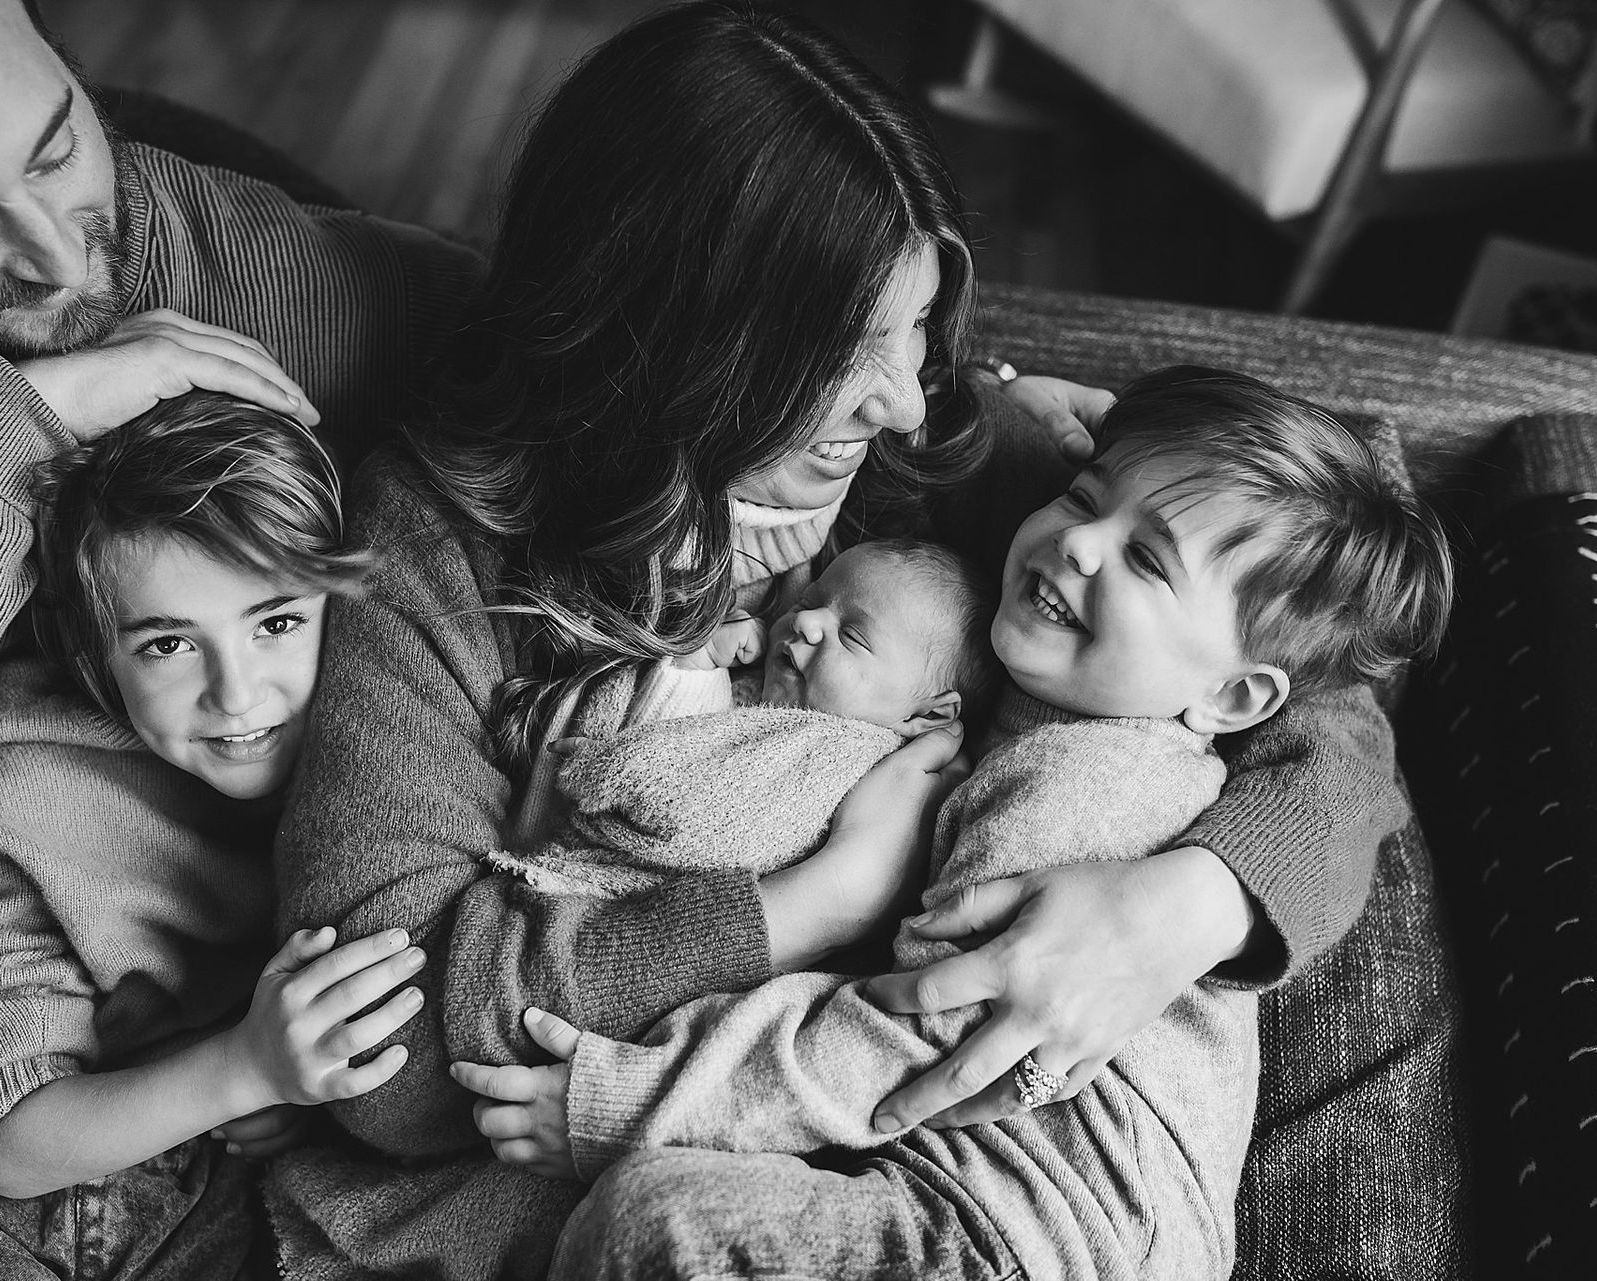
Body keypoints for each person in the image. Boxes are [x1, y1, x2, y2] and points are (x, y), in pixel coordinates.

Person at [269, 7, 1406, 1278]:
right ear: (680, 344)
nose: (913, 395)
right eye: (851, 353)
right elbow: (387, 1057)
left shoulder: (955, 461)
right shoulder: (433, 553)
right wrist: (803, 907)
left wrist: (1185, 905)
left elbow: (1329, 710)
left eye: (922, 330)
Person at [0, 0, 478, 1271]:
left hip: (197, 972)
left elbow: (539, 342)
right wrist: (24, 415)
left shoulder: (203, 244)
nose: (63, 264)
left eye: (57, 146)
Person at [456, 365, 1456, 1279]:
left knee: (654, 1224)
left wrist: (632, 1104)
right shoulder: (1034, 719)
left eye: (1147, 561)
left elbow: (916, 1025)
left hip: (1037, 1235)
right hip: (982, 1200)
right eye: (1083, 497)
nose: (1078, 540)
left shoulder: (1091, 784)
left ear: (1236, 698)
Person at [0, 392, 427, 1279]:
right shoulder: (15, 805)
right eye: (169, 645)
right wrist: (246, 1068)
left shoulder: (367, 755)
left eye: (278, 622)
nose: (235, 692)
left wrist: (273, 1087)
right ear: (97, 656)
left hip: (203, 1205)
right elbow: (8, 1146)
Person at [487, 539, 997, 899]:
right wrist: (695, 667)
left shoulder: (849, 755)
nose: (807, 622)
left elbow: (709, 814)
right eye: (810, 600)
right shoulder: (770, 698)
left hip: (632, 899)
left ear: (928, 714)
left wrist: (618, 768)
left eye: (853, 636)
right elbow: (684, 737)